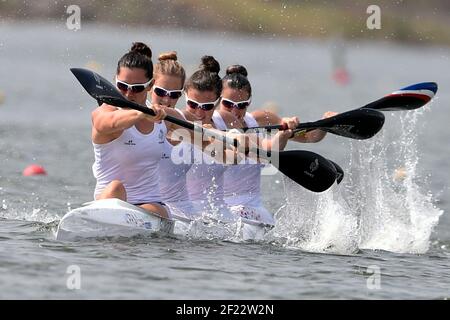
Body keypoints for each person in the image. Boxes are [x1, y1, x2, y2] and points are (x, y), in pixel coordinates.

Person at [219, 64, 336, 225]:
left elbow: (310, 137)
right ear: (219, 98)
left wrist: (325, 124)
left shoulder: (260, 119)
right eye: (228, 104)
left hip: (253, 209)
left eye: (241, 105)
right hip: (219, 208)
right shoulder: (210, 123)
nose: (234, 111)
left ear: (249, 102)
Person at [91, 42, 170, 218]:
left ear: (150, 86)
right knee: (115, 187)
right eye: (122, 86)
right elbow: (107, 124)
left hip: (149, 204)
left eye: (137, 88)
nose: (128, 94)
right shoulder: (104, 112)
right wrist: (141, 114)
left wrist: (232, 138)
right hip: (110, 199)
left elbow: (202, 135)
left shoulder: (162, 115)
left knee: (161, 212)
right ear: (114, 81)